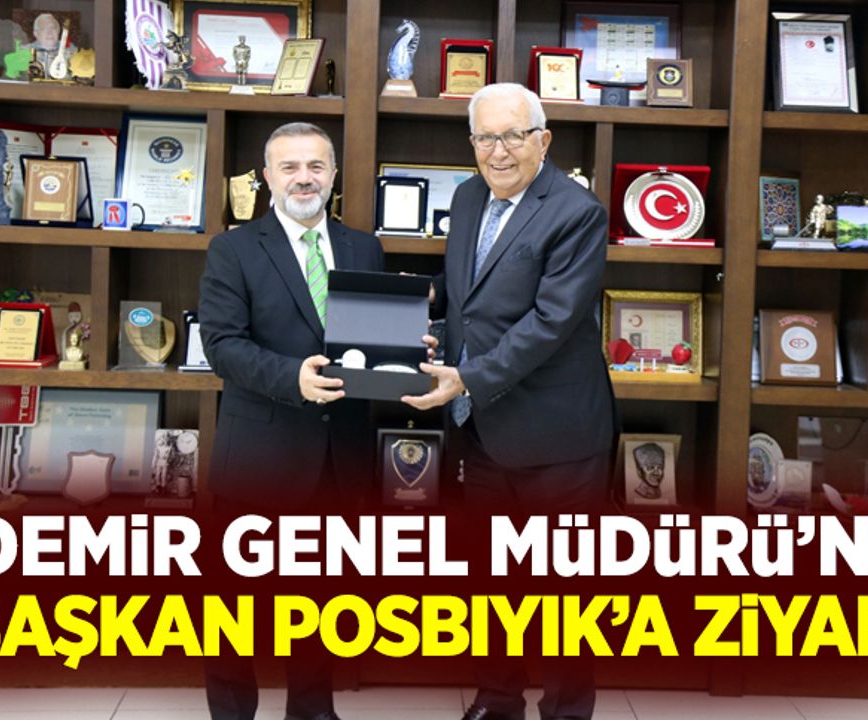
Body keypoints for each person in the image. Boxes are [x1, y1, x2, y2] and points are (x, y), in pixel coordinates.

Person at [403, 82, 616, 720]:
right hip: (485, 429)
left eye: (513, 136)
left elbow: (551, 322)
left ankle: (566, 709)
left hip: (558, 436)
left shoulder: (577, 212)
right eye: (485, 138)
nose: (499, 152)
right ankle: (498, 701)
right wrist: (420, 308)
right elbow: (468, 289)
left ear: (542, 141)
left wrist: (467, 377)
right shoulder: (469, 196)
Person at [198, 122, 383, 720]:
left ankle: (313, 709)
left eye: (316, 166)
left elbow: (369, 343)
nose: (305, 178)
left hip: (340, 457)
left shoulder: (364, 248)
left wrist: (404, 352)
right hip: (261, 454)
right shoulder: (233, 250)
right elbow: (222, 346)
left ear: (333, 174)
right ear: (267, 177)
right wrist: (291, 379)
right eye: (290, 167)